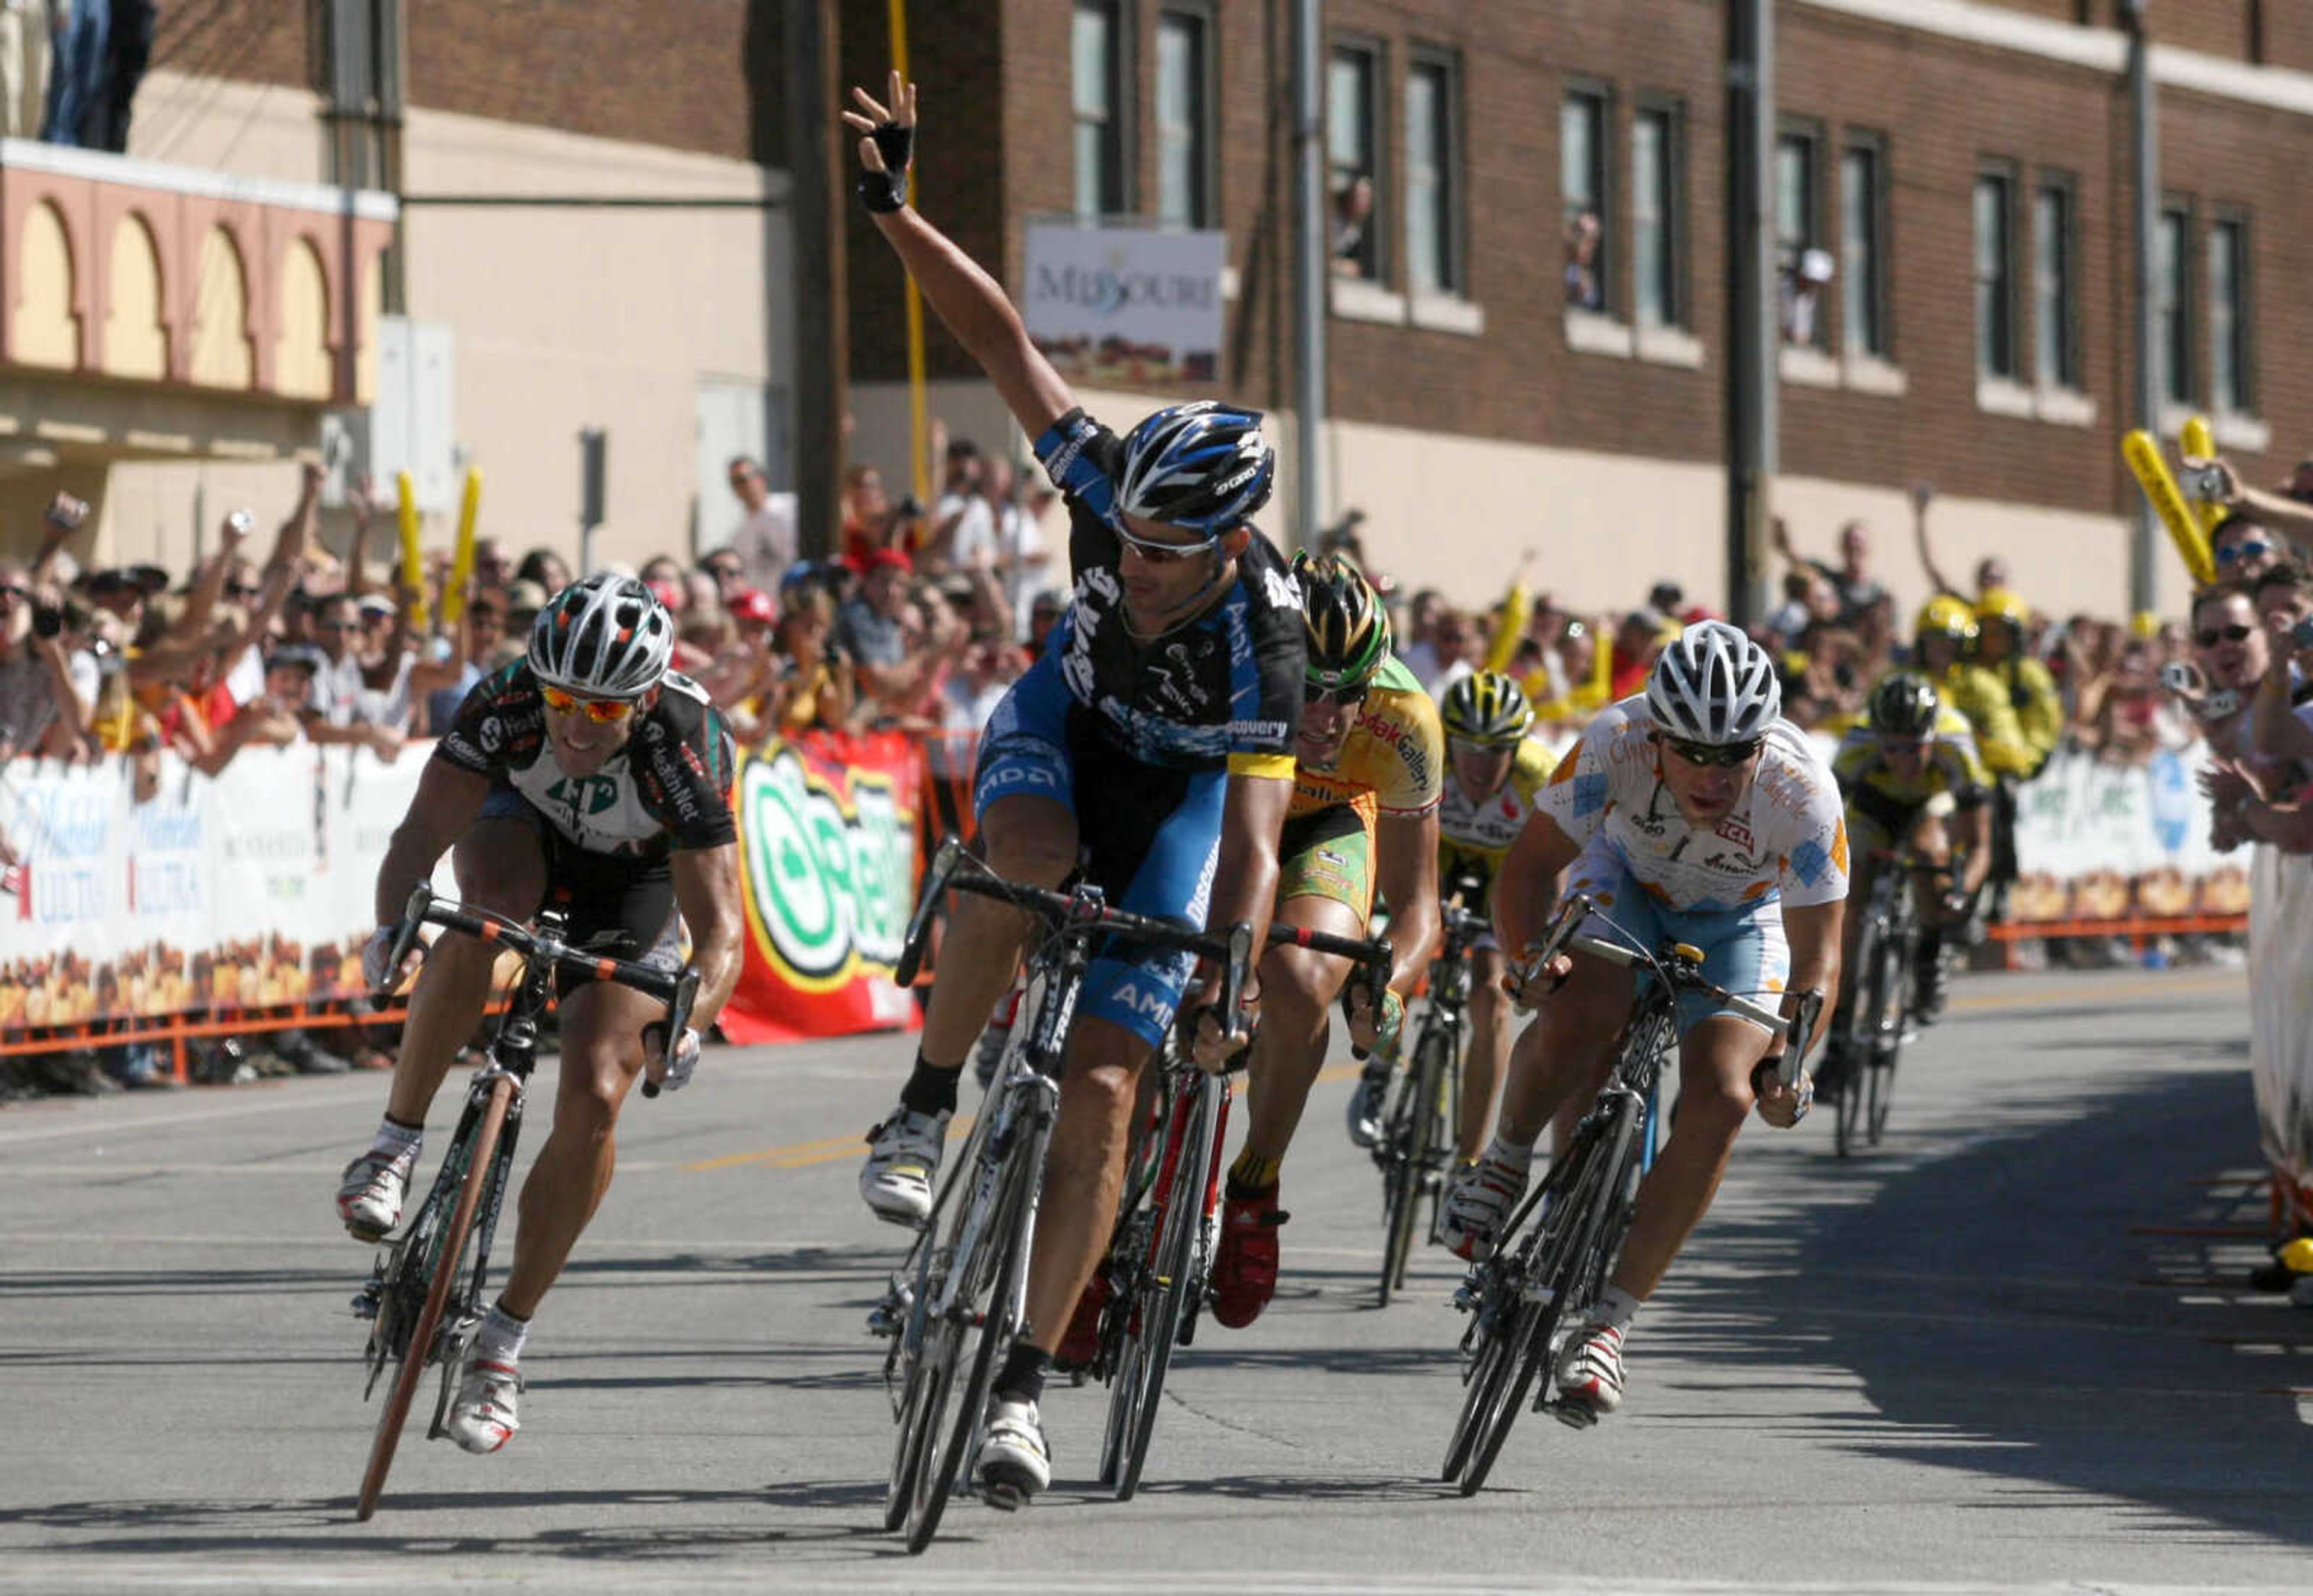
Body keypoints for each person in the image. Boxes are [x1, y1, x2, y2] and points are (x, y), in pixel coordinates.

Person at [843, 69, 1302, 1508]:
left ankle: (1024, 1389)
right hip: (1062, 724)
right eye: (1132, 539)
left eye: (1173, 549)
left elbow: (1252, 840)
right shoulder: (1108, 483)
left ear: (1232, 545)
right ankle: (921, 1107)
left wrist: (1225, 981)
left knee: (1105, 1083)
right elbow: (1000, 336)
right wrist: (894, 211)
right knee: (1018, 864)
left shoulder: (1263, 639)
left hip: (1175, 798)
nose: (1140, 561)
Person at [336, 573, 746, 1456]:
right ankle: (394, 1143)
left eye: (602, 710)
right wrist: (391, 925)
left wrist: (691, 1021)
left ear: (642, 701)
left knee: (600, 1087)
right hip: (517, 829)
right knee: (482, 916)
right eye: (563, 699)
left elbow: (721, 933)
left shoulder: (687, 748)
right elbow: (420, 836)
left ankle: (503, 1343)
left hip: (633, 882)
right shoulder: (511, 700)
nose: (573, 724)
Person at [1438, 621, 1838, 1423]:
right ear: (1657, 737)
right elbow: (1524, 872)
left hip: (1740, 921)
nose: (1714, 773)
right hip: (1624, 880)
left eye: (1736, 754)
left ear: (1764, 745)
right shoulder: (1613, 743)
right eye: (1693, 750)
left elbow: (1819, 962)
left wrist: (1791, 1061)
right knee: (1586, 1005)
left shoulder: (1804, 794)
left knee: (1725, 1095)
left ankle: (1610, 1323)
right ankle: (1505, 1161)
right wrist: (1527, 957)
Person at [1186, 552, 1441, 1332]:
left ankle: (1255, 1186)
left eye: (1349, 694)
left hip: (1328, 820)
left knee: (1302, 981)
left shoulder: (1405, 722)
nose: (1328, 714)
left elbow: (1419, 909)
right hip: (1223, 801)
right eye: (1311, 686)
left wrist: (1387, 990)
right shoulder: (1220, 665)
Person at [1350, 671, 1557, 1165]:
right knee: (1401, 950)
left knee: (1489, 997)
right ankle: (1380, 1067)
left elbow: (1552, 874)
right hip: (1434, 862)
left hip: (1503, 879)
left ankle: (1468, 1158)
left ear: (1517, 747)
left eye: (1495, 751)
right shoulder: (1428, 755)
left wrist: (1535, 944)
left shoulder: (1540, 777)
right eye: (1468, 748)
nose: (1480, 764)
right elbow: (1385, 834)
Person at [1826, 671, 1992, 1042]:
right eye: (1892, 748)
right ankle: (1842, 1016)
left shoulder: (1956, 743)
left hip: (1929, 803)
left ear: (1933, 737)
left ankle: (1930, 959)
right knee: (1853, 899)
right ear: (1878, 738)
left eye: (1915, 748)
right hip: (1872, 807)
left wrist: (1961, 892)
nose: (1903, 760)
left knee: (1926, 850)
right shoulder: (1858, 741)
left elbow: (1980, 842)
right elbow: (1825, 823)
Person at [726, 455, 799, 591]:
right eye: (735, 482)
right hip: (773, 605)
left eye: (744, 479)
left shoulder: (791, 508)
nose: (741, 486)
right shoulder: (739, 536)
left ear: (760, 478)